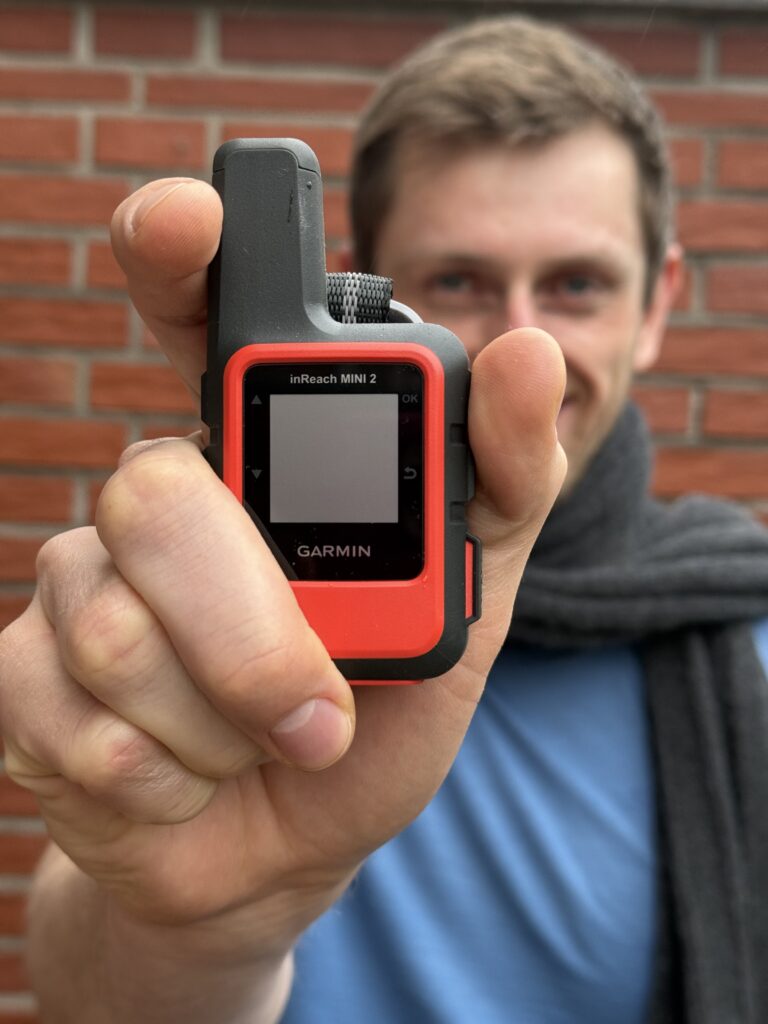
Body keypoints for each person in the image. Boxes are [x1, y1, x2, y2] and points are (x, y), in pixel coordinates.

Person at [1, 15, 767, 1024]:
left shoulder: (747, 639)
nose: (520, 341)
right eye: (458, 281)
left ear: (658, 302)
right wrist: (193, 930)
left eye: (577, 284)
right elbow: (78, 991)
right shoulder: (213, 633)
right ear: (360, 290)